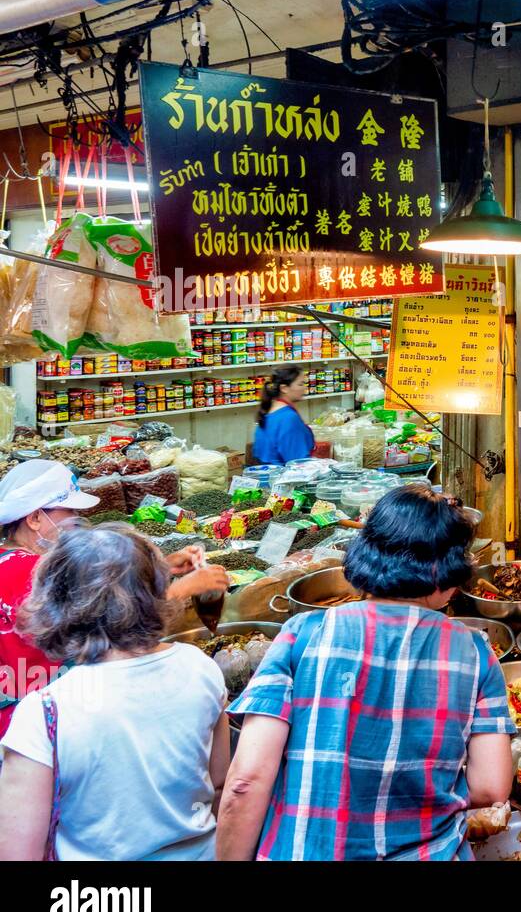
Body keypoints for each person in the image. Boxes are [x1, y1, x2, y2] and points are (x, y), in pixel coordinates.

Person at [216, 483, 514, 860]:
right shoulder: (475, 653)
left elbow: (245, 781)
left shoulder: (302, 634)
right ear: (447, 573)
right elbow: (490, 787)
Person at [0, 523, 229, 860]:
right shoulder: (200, 667)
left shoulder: (45, 712)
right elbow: (221, 782)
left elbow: (19, 854)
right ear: (155, 592)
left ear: (54, 602)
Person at [0, 460, 228, 737]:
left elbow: (97, 591)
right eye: (69, 511)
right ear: (35, 518)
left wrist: (162, 567)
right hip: (43, 723)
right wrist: (182, 589)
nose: (76, 523)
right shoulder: (33, 571)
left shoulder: (13, 562)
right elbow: (112, 624)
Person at [252, 365, 316, 465]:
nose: (304, 388)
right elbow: (298, 463)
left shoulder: (270, 411)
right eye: (300, 384)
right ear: (284, 388)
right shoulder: (288, 418)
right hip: (285, 478)